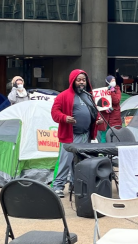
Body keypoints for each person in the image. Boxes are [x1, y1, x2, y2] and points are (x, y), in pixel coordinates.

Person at [51, 69, 103, 198]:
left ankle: (75, 186)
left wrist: (97, 120)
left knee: (80, 162)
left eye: (83, 80)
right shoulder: (63, 96)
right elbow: (55, 112)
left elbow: (93, 113)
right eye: (78, 80)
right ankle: (58, 186)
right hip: (70, 135)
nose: (81, 82)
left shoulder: (89, 95)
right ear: (73, 81)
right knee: (65, 162)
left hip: (85, 135)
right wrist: (64, 118)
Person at [98, 75, 122, 143]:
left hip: (115, 117)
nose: (113, 82)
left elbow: (116, 101)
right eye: (112, 80)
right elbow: (99, 103)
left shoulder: (117, 90)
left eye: (114, 80)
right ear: (108, 82)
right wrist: (105, 108)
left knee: (114, 134)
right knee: (104, 135)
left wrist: (111, 92)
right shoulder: (103, 91)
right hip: (105, 116)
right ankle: (102, 151)